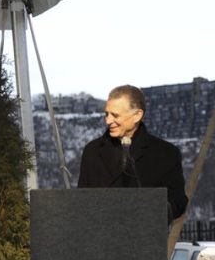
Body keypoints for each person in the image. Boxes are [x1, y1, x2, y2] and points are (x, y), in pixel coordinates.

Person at [78, 84, 188, 222]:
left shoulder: (166, 153)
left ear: (137, 115)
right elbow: (81, 200)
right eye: (107, 114)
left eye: (115, 115)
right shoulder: (92, 151)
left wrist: (155, 211)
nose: (108, 121)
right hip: (99, 236)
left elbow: (178, 200)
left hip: (145, 237)